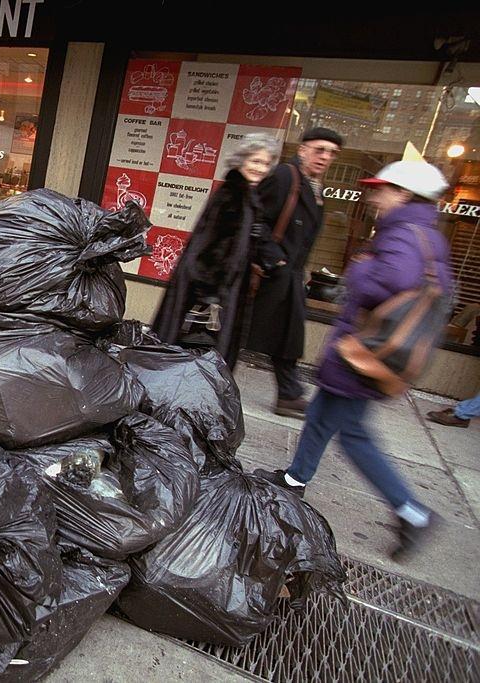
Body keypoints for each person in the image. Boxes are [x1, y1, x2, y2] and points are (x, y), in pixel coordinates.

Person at [254, 160, 454, 561]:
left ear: (403, 194)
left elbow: (390, 281)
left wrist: (359, 272)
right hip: (371, 350)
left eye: (382, 190)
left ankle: (412, 512)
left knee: (354, 435)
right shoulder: (426, 234)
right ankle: (295, 479)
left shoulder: (403, 234)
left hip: (366, 352)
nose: (374, 196)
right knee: (322, 413)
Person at [152, 133, 280, 369]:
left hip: (219, 288)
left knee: (193, 357)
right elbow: (210, 247)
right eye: (255, 161)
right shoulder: (233, 194)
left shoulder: (247, 194)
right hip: (209, 290)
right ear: (241, 160)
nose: (260, 168)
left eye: (265, 163)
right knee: (195, 356)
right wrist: (209, 296)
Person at [245, 127, 344, 418]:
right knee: (236, 331)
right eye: (319, 149)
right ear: (303, 150)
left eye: (331, 153)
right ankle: (202, 377)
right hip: (267, 274)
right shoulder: (285, 176)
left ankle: (289, 394)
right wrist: (275, 260)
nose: (325, 157)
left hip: (288, 276)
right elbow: (254, 216)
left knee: (288, 335)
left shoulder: (313, 185)